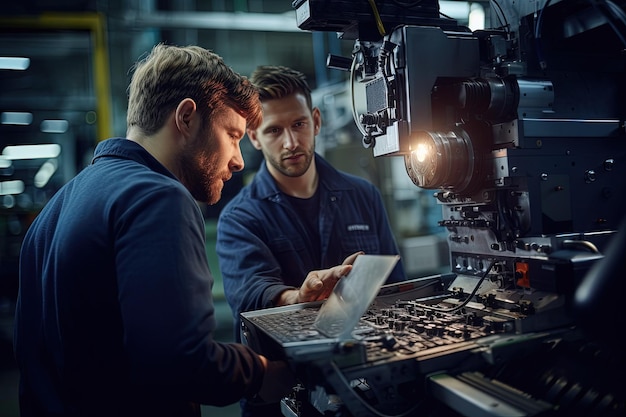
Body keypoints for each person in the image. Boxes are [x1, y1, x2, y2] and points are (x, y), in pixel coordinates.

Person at [9, 44, 343, 417]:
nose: (236, 160)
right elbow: (181, 361)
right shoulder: (157, 196)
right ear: (186, 117)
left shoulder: (56, 207)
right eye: (232, 135)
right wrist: (266, 372)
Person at [216, 65, 407, 416]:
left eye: (299, 125)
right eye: (274, 130)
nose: (290, 142)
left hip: (365, 384)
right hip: (283, 396)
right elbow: (252, 295)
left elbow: (396, 287)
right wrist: (298, 297)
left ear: (316, 121)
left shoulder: (363, 195)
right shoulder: (239, 218)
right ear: (254, 137)